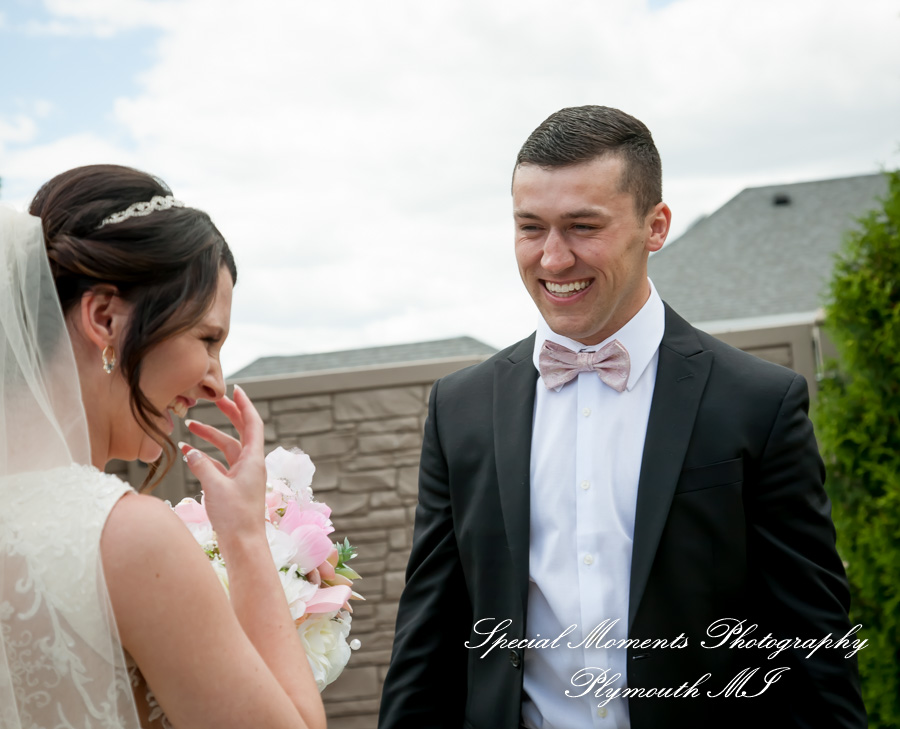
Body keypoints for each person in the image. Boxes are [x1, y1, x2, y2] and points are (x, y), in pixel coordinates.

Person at [378, 106, 867, 728]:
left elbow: (813, 643)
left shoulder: (758, 403)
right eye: (531, 227)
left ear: (655, 226)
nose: (553, 259)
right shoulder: (461, 409)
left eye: (583, 226)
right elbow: (429, 634)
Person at [0, 165, 326, 729]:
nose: (215, 384)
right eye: (207, 338)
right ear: (104, 317)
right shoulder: (123, 536)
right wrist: (245, 535)